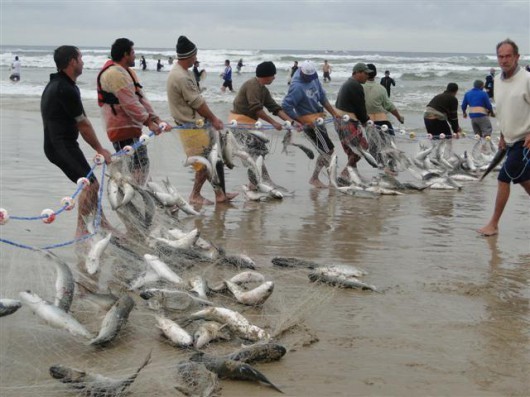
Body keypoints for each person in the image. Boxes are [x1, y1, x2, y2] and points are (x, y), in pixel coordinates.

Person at [41, 45, 113, 238]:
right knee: (89, 184)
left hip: (62, 144)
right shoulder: (64, 88)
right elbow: (83, 124)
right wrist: (100, 149)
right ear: (72, 61)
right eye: (80, 58)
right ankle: (81, 230)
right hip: (59, 146)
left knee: (91, 183)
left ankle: (102, 222)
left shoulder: (59, 84)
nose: (83, 62)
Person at [167, 35, 238, 205]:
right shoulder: (181, 76)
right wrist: (213, 118)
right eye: (194, 55)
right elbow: (197, 102)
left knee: (214, 159)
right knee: (203, 164)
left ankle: (221, 193)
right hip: (189, 127)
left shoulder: (186, 72)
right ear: (187, 56)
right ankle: (195, 195)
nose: (196, 58)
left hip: (197, 124)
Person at [97, 38, 171, 185]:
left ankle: (136, 196)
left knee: (140, 165)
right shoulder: (114, 74)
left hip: (131, 129)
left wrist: (157, 120)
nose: (135, 56)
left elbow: (140, 98)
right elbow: (129, 103)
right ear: (125, 54)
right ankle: (134, 198)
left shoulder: (127, 72)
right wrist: (149, 122)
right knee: (136, 167)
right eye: (133, 52)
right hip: (121, 129)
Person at [478, 39, 530, 237]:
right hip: (509, 140)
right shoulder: (498, 81)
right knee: (524, 179)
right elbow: (502, 109)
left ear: (517, 57)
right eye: (501, 56)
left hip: (524, 141)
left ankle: (493, 224)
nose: (504, 60)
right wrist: (502, 134)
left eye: (508, 56)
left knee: (503, 178)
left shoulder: (527, 79)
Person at [229, 61, 299, 187]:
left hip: (250, 124)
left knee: (260, 151)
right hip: (239, 124)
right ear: (266, 75)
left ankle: (257, 182)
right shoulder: (252, 85)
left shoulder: (263, 90)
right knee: (251, 154)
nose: (274, 77)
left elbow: (275, 108)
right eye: (273, 75)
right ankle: (260, 182)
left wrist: (291, 122)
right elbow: (256, 108)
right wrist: (273, 123)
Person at [282, 60, 340, 188]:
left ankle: (318, 178)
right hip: (308, 122)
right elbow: (286, 106)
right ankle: (325, 179)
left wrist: (334, 113)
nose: (310, 79)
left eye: (312, 77)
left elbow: (322, 98)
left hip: (318, 117)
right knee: (328, 150)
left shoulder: (314, 78)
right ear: (302, 74)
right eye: (307, 78)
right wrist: (301, 122)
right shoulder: (296, 86)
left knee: (327, 150)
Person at [334, 62, 371, 180]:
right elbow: (360, 108)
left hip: (340, 121)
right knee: (362, 147)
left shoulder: (348, 83)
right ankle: (345, 173)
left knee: (351, 150)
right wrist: (365, 121)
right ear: (358, 73)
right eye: (365, 73)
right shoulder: (355, 86)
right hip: (347, 122)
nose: (367, 76)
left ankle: (353, 174)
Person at [364, 63, 404, 135]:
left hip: (367, 122)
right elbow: (389, 106)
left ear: (364, 73)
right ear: (375, 74)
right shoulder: (381, 88)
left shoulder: (358, 87)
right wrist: (399, 117)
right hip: (382, 122)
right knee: (390, 142)